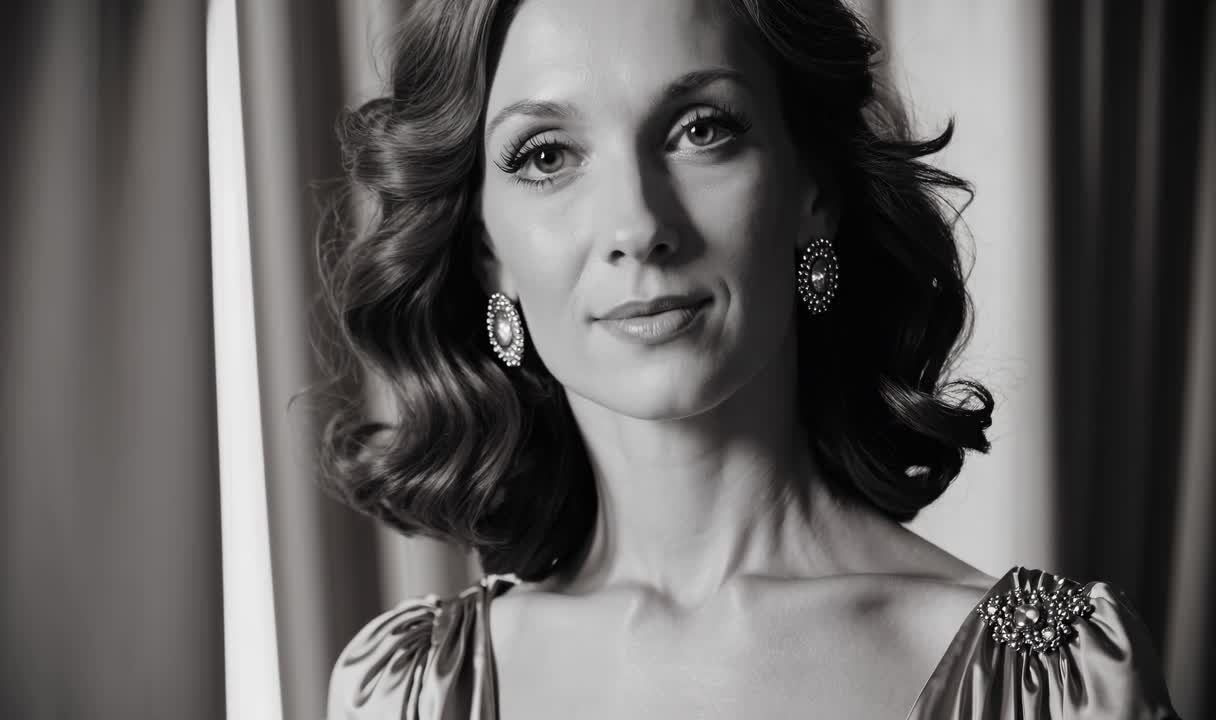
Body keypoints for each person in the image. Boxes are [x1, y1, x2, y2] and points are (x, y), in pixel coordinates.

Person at [315, 0, 1180, 717]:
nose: (638, 228)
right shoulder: (403, 694)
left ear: (813, 192)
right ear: (485, 251)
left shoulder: (1057, 686)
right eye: (547, 155)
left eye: (701, 130)